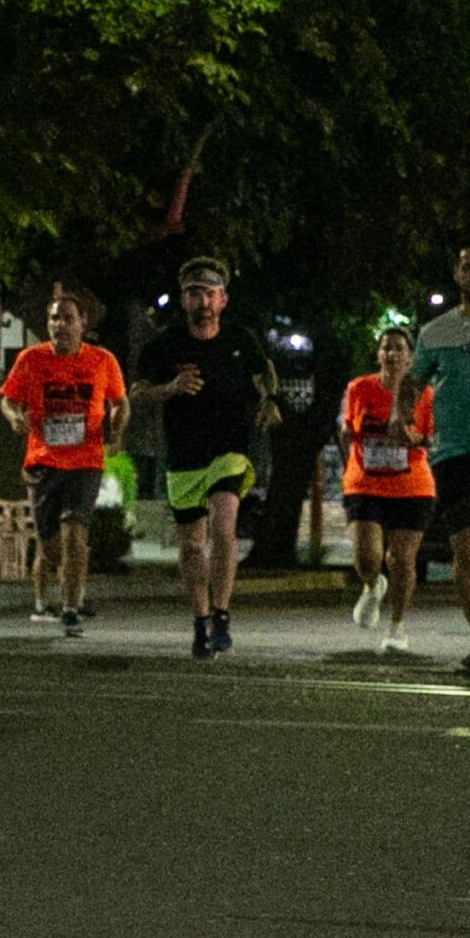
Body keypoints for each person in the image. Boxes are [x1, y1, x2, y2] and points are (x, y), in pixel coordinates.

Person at [132, 257, 278, 660]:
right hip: (183, 454)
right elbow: (137, 394)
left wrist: (272, 399)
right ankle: (200, 620)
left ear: (223, 299)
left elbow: (265, 370)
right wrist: (172, 388)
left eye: (210, 293)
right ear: (183, 299)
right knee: (192, 546)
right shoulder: (165, 344)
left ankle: (222, 614)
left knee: (224, 525)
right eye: (195, 293)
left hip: (230, 449)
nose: (203, 301)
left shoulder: (239, 338)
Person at [0, 292, 129, 639]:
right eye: (54, 318)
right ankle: (56, 594)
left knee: (75, 535)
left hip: (86, 462)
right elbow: (9, 400)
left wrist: (115, 430)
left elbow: (120, 403)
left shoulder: (102, 361)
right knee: (51, 547)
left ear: (83, 324)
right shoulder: (31, 359)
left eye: (68, 318)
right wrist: (14, 417)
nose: (60, 325)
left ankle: (71, 609)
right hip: (43, 462)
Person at [396, 245, 470, 681]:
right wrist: (402, 417)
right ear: (458, 274)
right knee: (468, 550)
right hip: (456, 454)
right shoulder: (435, 332)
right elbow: (412, 382)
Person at [340, 327, 431, 654]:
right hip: (365, 484)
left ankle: (397, 627)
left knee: (401, 560)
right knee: (368, 558)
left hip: (412, 486)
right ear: (378, 354)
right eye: (386, 348)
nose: (392, 355)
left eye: (399, 349)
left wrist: (414, 438)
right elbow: (346, 431)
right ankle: (371, 583)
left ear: (410, 356)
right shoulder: (358, 389)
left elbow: (432, 436)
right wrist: (350, 465)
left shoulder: (424, 394)